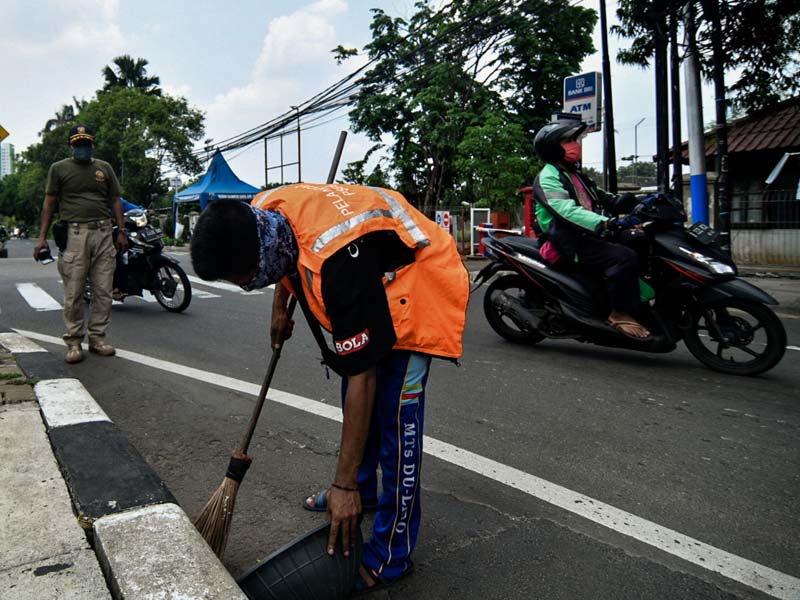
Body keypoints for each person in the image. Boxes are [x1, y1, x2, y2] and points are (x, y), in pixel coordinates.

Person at [190, 183, 469, 593]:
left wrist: (342, 487)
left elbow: (363, 375)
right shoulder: (265, 209)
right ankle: (364, 489)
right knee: (353, 397)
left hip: (416, 283)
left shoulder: (338, 267)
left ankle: (391, 555)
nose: (246, 285)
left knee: (395, 424)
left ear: (262, 256)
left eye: (244, 278)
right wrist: (278, 309)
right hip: (372, 272)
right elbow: (286, 259)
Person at [532, 114, 650, 340]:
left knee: (640, 241)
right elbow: (566, 210)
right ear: (552, 147)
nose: (575, 145)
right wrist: (605, 223)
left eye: (574, 140)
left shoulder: (575, 175)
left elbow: (605, 198)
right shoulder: (548, 177)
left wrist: (641, 202)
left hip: (585, 235)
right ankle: (619, 312)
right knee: (623, 257)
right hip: (566, 242)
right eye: (568, 141)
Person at [34, 125, 128, 363]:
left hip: (104, 232)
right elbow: (49, 203)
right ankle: (74, 342)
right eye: (78, 144)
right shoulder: (58, 169)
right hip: (75, 234)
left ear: (92, 144)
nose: (82, 148)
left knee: (103, 291)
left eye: (86, 144)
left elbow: (115, 200)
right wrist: (42, 237)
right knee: (74, 291)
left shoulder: (104, 168)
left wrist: (121, 231)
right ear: (71, 146)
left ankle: (97, 339)